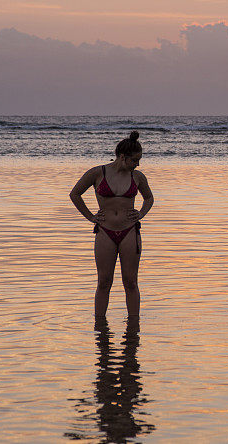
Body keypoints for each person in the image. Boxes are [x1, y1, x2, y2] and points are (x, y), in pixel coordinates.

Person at [70, 131, 154, 322]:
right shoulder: (97, 173)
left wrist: (141, 213)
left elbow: (149, 198)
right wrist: (90, 216)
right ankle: (100, 325)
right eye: (135, 160)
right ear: (122, 157)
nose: (138, 164)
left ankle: (134, 325)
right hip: (105, 232)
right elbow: (75, 194)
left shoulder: (138, 176)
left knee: (130, 282)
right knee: (104, 282)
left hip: (130, 232)